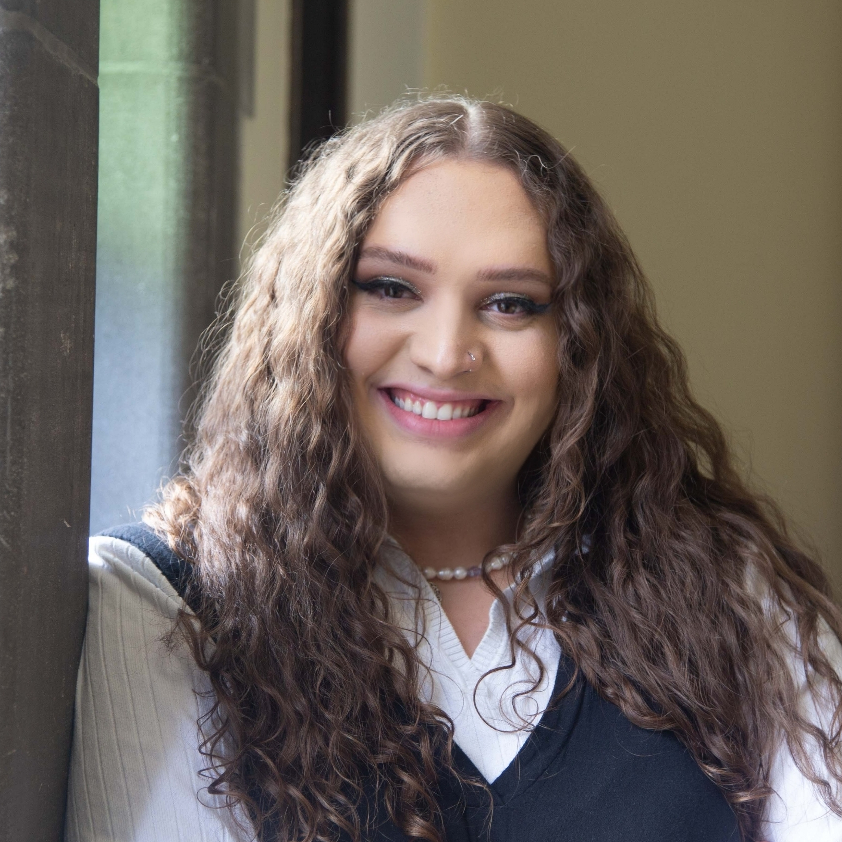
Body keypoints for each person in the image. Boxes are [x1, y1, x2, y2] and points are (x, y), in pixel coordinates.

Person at [66, 96, 842, 842]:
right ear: (311, 317)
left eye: (510, 303)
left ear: (579, 346)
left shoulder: (733, 592)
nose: (446, 353)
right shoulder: (164, 604)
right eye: (391, 288)